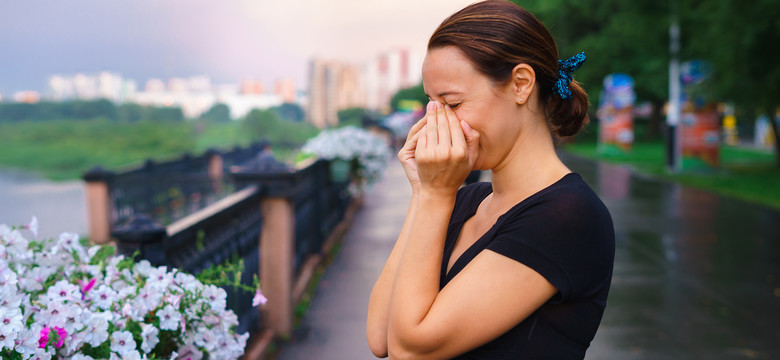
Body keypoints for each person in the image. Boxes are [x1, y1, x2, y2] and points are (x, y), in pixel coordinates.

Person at [366, 1, 615, 359]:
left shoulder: (568, 216)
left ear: (520, 84)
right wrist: (424, 192)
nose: (438, 124)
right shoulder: (466, 201)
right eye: (431, 105)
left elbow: (410, 350)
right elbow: (379, 335)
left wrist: (436, 196)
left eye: (451, 104)